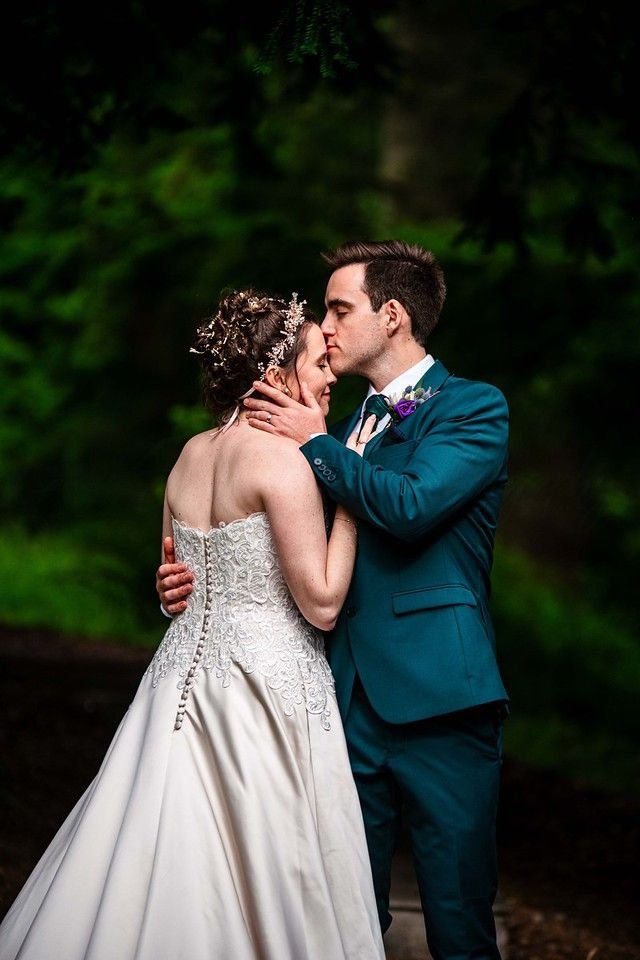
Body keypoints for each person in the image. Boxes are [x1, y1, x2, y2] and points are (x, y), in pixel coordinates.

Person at [0, 289, 386, 960]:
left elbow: (178, 575)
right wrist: (353, 501)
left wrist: (167, 593)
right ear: (276, 375)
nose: (331, 377)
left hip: (177, 679)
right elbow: (322, 604)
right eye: (319, 364)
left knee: (157, 840)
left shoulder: (188, 456)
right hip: (264, 691)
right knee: (270, 856)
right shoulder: (283, 462)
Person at [159, 240, 510, 960]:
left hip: (440, 698)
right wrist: (191, 577)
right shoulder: (336, 426)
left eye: (339, 309)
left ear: (393, 315)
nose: (325, 326)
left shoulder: (472, 408)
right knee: (343, 915)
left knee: (457, 916)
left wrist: (321, 445)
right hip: (337, 701)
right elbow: (278, 541)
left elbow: (410, 506)